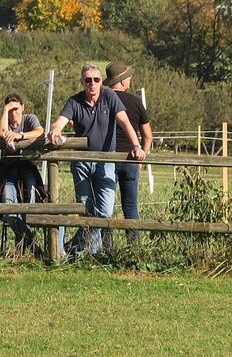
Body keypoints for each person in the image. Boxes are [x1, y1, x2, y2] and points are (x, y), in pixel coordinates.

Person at [46, 64, 147, 255]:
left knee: (106, 210)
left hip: (105, 160)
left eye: (96, 79)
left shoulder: (109, 96)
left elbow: (124, 121)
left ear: (101, 81)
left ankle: (73, 246)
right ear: (82, 82)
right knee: (86, 208)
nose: (92, 83)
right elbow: (60, 121)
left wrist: (136, 146)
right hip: (82, 163)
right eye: (88, 80)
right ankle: (93, 252)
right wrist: (55, 131)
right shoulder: (75, 101)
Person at [103, 61, 153, 244]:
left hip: (107, 158)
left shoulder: (102, 99)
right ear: (123, 81)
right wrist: (141, 159)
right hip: (131, 159)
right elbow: (147, 136)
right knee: (130, 206)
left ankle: (106, 248)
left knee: (106, 207)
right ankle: (134, 247)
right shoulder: (135, 102)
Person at [2, 92, 45, 256]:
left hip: (27, 166)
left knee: (30, 202)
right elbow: (1, 132)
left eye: (16, 109)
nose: (14, 113)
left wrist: (20, 135)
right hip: (8, 169)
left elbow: (40, 131)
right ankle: (32, 245)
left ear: (23, 107)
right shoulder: (4, 120)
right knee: (9, 207)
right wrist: (4, 111)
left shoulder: (29, 118)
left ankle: (23, 246)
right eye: (10, 109)